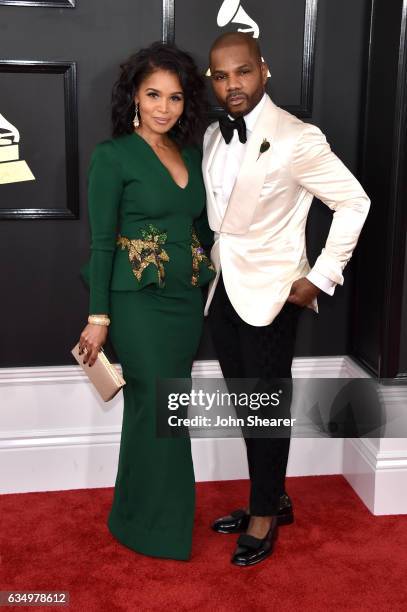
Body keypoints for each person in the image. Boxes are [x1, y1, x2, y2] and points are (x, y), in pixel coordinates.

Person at [202, 32, 370, 566]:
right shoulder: (211, 135)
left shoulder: (297, 137)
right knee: (247, 406)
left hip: (274, 295)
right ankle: (271, 496)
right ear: (213, 80)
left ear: (264, 70)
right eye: (223, 75)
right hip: (223, 289)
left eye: (243, 71)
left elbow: (353, 201)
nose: (234, 84)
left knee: (266, 409)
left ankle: (263, 516)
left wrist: (321, 277)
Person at [78, 42, 215, 561]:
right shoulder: (112, 157)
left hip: (183, 302)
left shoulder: (192, 154)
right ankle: (157, 527)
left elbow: (202, 227)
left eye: (175, 97)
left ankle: (134, 515)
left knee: (157, 409)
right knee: (161, 409)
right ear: (134, 96)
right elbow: (100, 239)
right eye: (154, 94)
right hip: (136, 304)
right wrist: (98, 318)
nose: (164, 107)